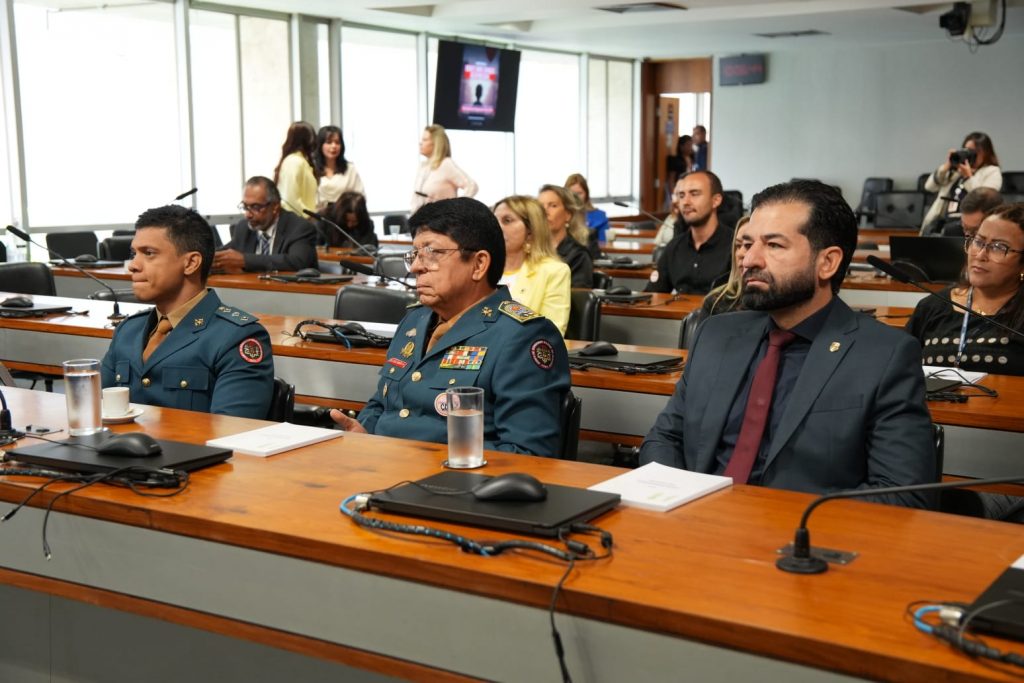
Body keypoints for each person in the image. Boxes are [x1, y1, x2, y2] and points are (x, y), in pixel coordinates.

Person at [640, 180, 936, 508]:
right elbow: (665, 438)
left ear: (828, 263)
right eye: (748, 243)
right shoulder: (716, 334)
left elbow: (902, 494)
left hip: (799, 543)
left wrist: (781, 527)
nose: (749, 259)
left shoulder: (884, 355)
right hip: (693, 526)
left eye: (774, 246)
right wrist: (680, 503)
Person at [329, 197, 570, 456]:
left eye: (432, 253)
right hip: (383, 469)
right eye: (415, 255)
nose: (418, 267)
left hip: (456, 486)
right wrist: (363, 432)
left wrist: (420, 459)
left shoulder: (522, 337)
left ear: (478, 264)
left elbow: (529, 455)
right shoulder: (414, 321)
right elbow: (383, 403)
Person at [101, 205, 274, 419]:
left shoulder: (236, 337)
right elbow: (97, 411)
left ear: (191, 263)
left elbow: (233, 432)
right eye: (133, 253)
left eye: (149, 254)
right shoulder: (128, 331)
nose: (133, 266)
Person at [907, 202, 1024, 377]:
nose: (980, 255)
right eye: (978, 241)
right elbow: (901, 371)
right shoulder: (931, 306)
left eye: (999, 247)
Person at [494, 195, 571, 335]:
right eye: (494, 220)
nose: (496, 227)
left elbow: (551, 334)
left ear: (531, 231)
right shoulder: (480, 268)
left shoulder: (554, 271)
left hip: (521, 352)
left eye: (507, 220)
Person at [646, 171, 731, 295]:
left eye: (694, 194)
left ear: (716, 200)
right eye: (681, 195)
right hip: (678, 314)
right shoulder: (674, 247)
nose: (685, 202)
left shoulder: (735, 247)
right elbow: (652, 294)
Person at [214, 176, 318, 273]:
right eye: (245, 206)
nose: (248, 215)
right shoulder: (244, 227)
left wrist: (245, 260)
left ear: (275, 207)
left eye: (255, 207)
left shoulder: (299, 227)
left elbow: (297, 262)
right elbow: (226, 254)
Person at [921, 131, 1002, 234]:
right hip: (943, 220)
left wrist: (968, 177)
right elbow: (929, 187)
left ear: (986, 152)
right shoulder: (956, 171)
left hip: (969, 224)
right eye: (966, 150)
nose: (970, 154)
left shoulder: (992, 171)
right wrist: (947, 166)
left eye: (974, 151)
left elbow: (986, 200)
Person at [411, 125, 478, 212]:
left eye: (425, 140)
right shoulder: (423, 166)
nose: (420, 143)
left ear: (436, 143)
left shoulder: (446, 164)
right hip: (420, 220)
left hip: (440, 222)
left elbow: (472, 186)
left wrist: (456, 208)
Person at [539, 184, 594, 287]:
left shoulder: (579, 256)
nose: (545, 211)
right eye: (540, 207)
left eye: (553, 206)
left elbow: (575, 300)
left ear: (568, 215)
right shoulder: (528, 249)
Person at [699, 215, 750, 318]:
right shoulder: (715, 302)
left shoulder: (781, 306)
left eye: (749, 245)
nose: (740, 253)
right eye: (738, 246)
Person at [273, 121, 318, 217]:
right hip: (298, 222)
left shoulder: (301, 161)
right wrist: (310, 217)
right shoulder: (294, 162)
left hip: (302, 220)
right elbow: (291, 200)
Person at [313, 125, 365, 208]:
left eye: (337, 142)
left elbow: (360, 197)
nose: (334, 146)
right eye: (329, 142)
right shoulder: (312, 169)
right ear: (320, 145)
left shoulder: (350, 169)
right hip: (318, 217)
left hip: (344, 217)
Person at [927, 187, 1003, 238]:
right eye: (964, 227)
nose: (967, 235)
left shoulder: (1008, 239)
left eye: (974, 230)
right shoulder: (951, 233)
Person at [565, 173, 609, 246]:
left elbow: (603, 245)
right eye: (572, 193)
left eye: (579, 193)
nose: (576, 197)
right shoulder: (559, 215)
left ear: (586, 194)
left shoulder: (600, 216)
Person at [665, 134, 693, 208]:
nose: (690, 147)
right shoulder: (675, 160)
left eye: (691, 145)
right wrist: (673, 195)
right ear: (681, 146)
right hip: (678, 189)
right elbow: (671, 179)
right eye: (688, 145)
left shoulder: (692, 158)